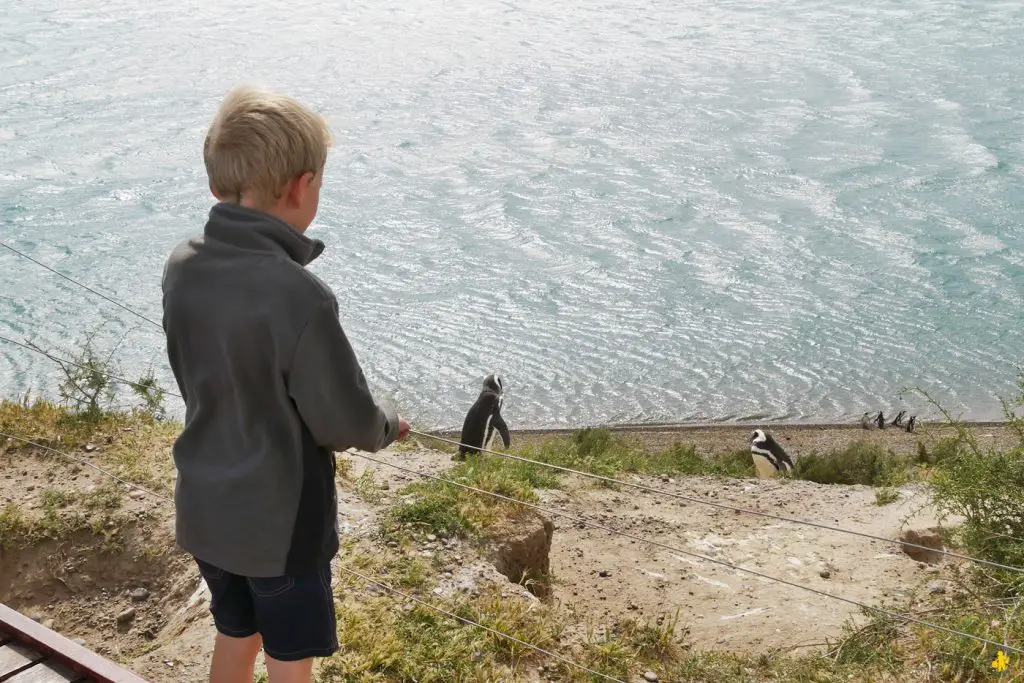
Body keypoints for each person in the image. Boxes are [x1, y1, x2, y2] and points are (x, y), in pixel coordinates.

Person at [161, 84, 409, 683]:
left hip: (204, 507)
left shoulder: (182, 266)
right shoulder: (300, 296)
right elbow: (342, 420)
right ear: (302, 186)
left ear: (219, 184)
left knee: (235, 630)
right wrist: (386, 426)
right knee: (289, 655)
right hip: (278, 525)